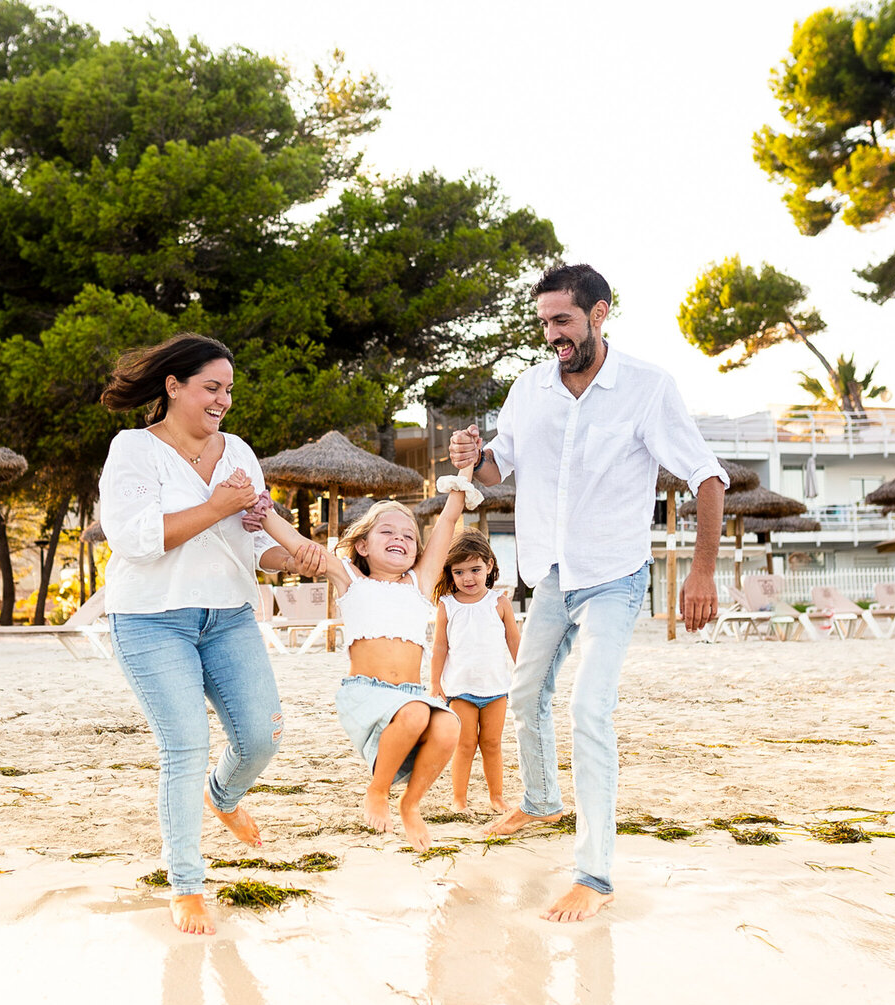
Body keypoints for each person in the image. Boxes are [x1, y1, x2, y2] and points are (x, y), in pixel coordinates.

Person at [448, 263, 727, 923]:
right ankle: (541, 800)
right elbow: (496, 466)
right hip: (551, 575)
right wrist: (472, 455)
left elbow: (707, 477)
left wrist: (703, 571)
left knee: (588, 709)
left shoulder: (648, 388)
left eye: (564, 321)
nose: (553, 335)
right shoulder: (530, 387)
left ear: (600, 314)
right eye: (545, 323)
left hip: (614, 576)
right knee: (526, 695)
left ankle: (595, 874)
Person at [98, 333, 326, 937]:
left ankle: (220, 797)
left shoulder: (239, 453)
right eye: (211, 387)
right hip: (152, 619)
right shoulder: (133, 450)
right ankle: (187, 884)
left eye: (228, 389)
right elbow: (135, 539)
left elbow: (252, 544)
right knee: (185, 747)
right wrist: (222, 504)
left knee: (260, 737)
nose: (223, 399)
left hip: (228, 616)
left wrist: (292, 557)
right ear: (173, 386)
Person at [251, 474, 473, 850]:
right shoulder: (351, 578)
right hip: (366, 693)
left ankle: (410, 804)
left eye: (408, 536)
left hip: (409, 694)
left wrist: (463, 476)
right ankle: (377, 790)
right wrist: (265, 513)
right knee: (417, 714)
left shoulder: (419, 584)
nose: (399, 539)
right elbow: (302, 546)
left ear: (418, 552)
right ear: (362, 546)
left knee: (450, 727)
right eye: (387, 532)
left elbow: (448, 521)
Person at [429, 528, 520, 814]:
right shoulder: (448, 605)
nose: (468, 578)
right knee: (465, 745)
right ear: (450, 573)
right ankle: (460, 800)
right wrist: (434, 684)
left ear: (489, 566)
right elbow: (440, 647)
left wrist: (526, 677)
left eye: (475, 569)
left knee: (492, 744)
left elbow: (515, 642)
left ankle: (496, 797)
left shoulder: (500, 602)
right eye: (459, 572)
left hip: (496, 689)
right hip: (460, 690)